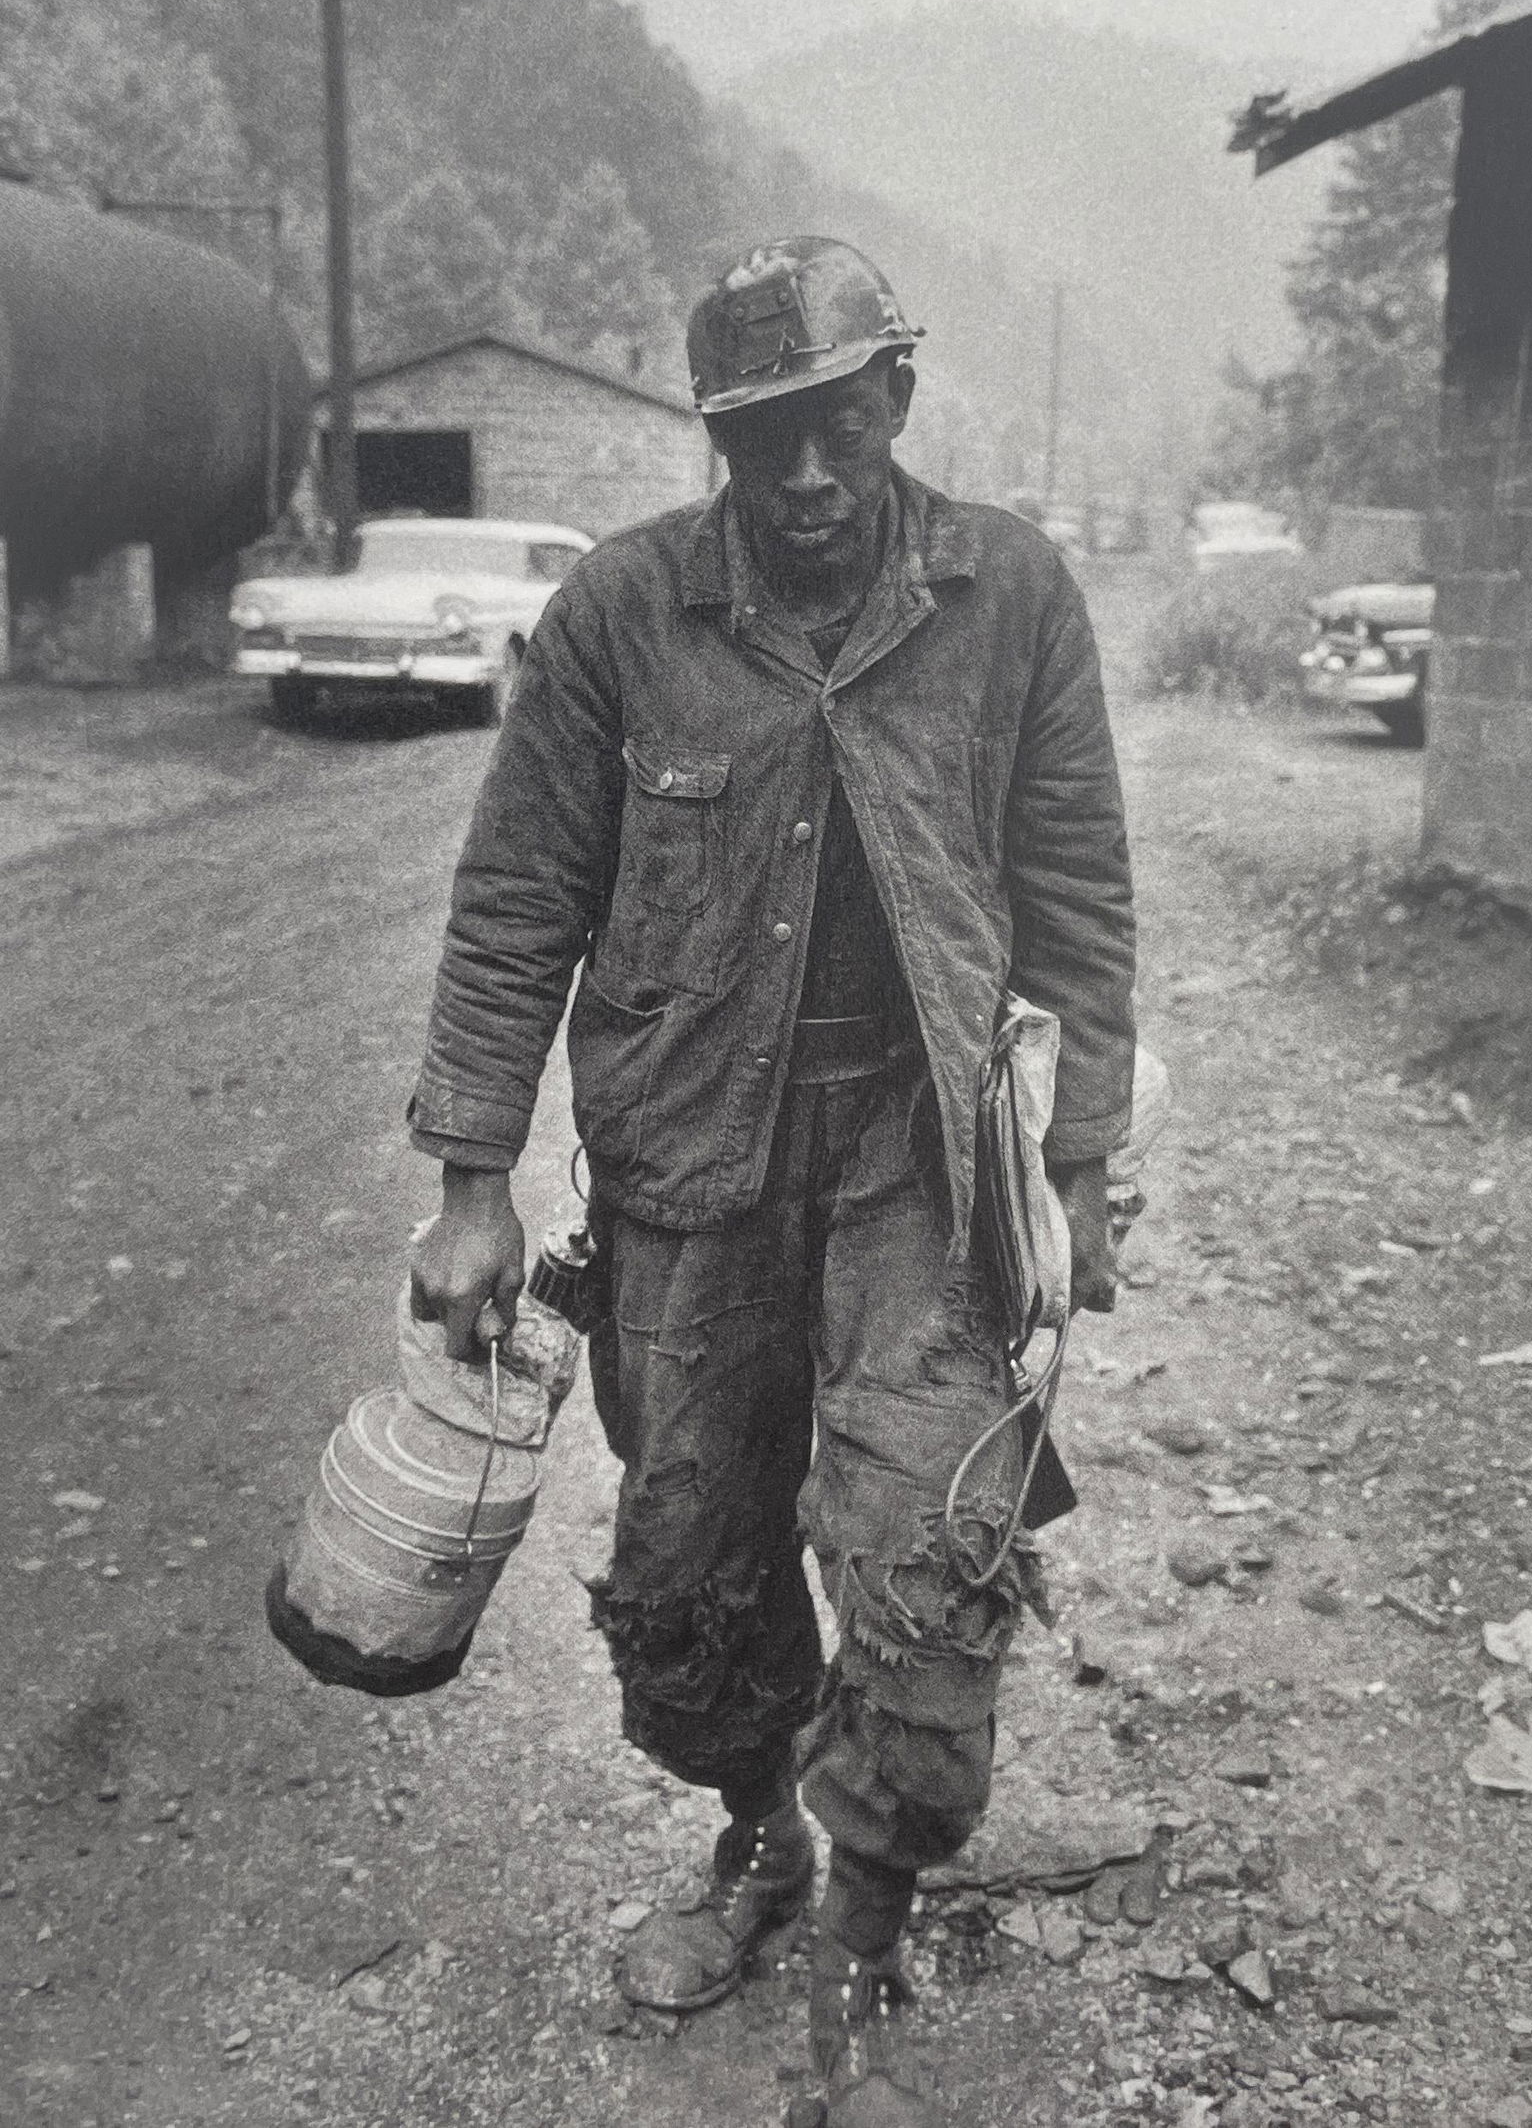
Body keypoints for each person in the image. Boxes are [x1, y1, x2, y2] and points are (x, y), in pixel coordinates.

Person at [407, 237, 1136, 2124]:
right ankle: (763, 1837)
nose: (809, 473)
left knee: (928, 1550)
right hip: (690, 1165)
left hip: (921, 1168)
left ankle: (867, 1911)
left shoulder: (1012, 598)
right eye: (763, 438)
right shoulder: (622, 617)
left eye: (839, 420)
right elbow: (514, 908)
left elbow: (1077, 895)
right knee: (692, 1566)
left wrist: (1088, 1162)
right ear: (715, 439)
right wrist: (472, 1177)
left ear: (896, 394)